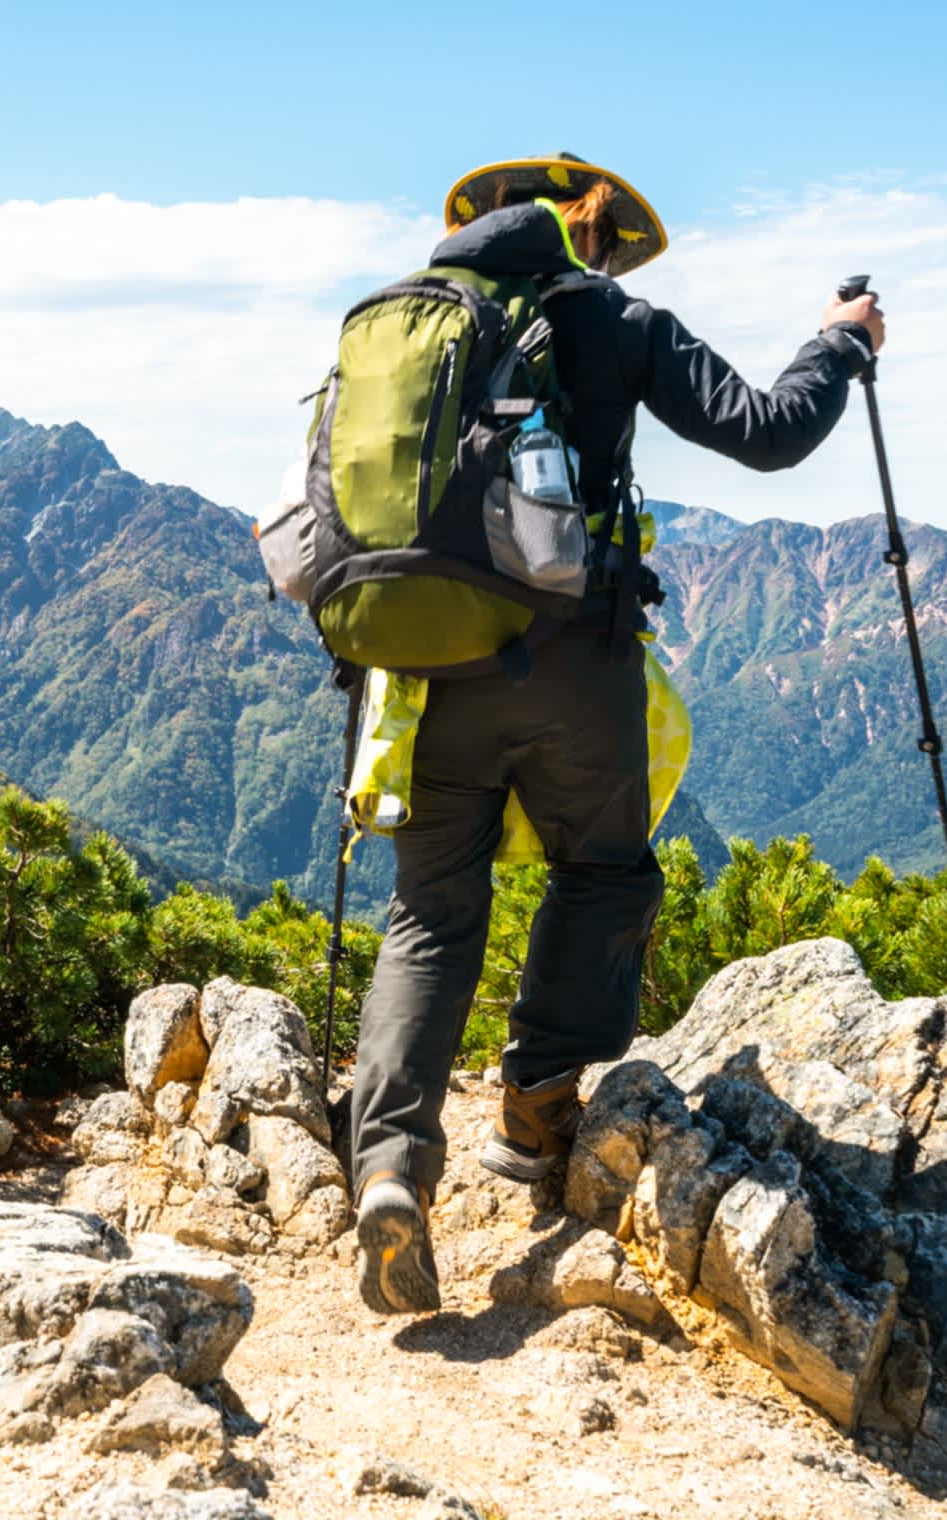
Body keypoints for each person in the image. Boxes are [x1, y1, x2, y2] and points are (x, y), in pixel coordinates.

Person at [350, 153, 884, 1316]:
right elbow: (769, 431)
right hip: (570, 656)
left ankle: (389, 1164)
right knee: (602, 870)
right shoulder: (622, 323)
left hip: (428, 667)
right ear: (594, 239)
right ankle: (538, 1113)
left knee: (431, 907)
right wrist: (841, 340)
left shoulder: (410, 324)